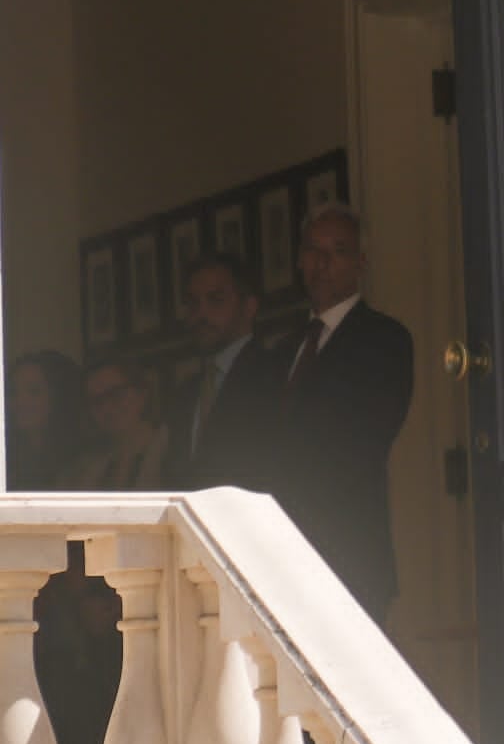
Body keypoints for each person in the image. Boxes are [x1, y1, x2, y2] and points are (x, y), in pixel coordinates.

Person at [269, 203, 413, 624]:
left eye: (338, 251)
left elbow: (368, 438)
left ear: (360, 263)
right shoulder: (284, 348)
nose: (323, 263)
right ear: (299, 260)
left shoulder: (385, 339)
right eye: (313, 251)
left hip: (349, 544)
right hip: (280, 548)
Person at [164, 254, 284, 491]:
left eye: (215, 300)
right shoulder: (186, 392)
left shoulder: (274, 373)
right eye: (193, 304)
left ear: (249, 306)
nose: (201, 314)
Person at [63, 356, 169, 490]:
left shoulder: (175, 450)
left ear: (142, 393)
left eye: (115, 394)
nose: (106, 408)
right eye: (96, 401)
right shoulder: (84, 469)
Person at [5, 349, 85, 490]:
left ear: (57, 396)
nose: (20, 402)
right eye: (13, 392)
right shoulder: (8, 453)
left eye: (34, 391)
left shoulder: (83, 459)